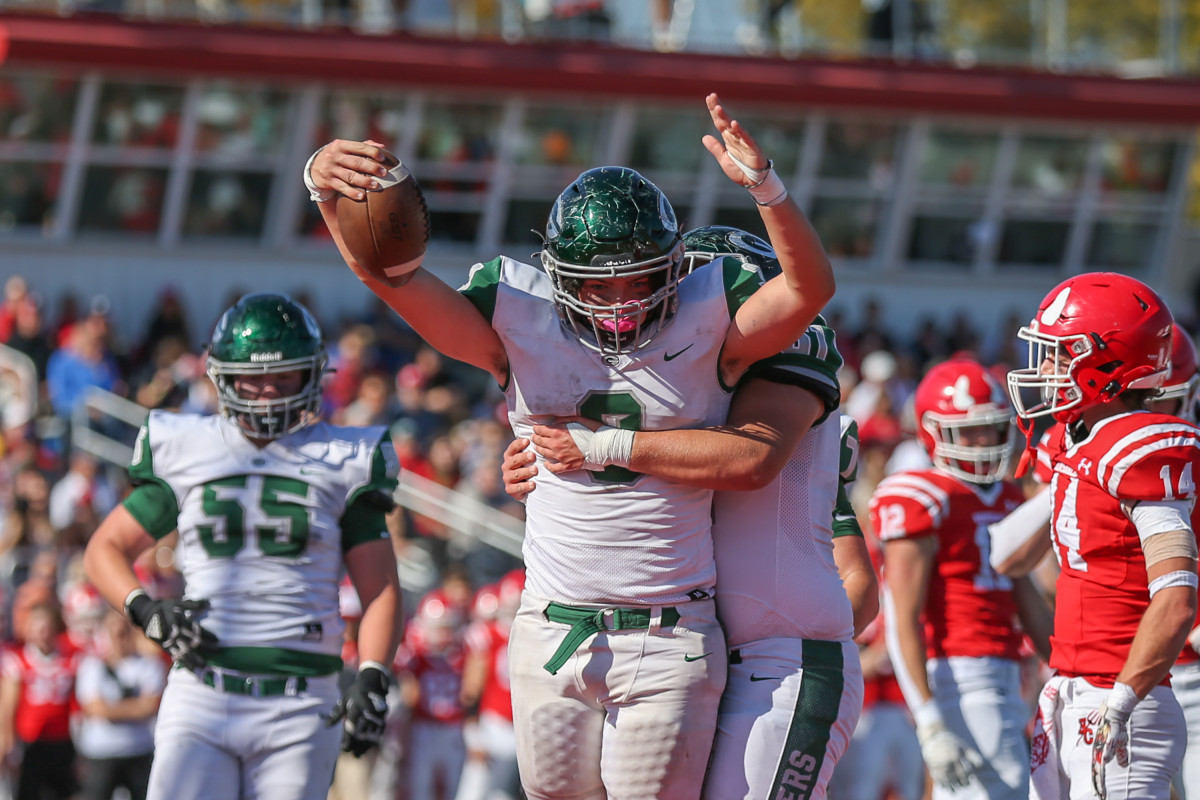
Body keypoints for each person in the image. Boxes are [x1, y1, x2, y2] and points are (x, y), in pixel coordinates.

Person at [307, 93, 834, 799]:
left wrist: (767, 188)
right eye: (597, 281)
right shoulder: (517, 319)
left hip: (668, 628)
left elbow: (809, 287)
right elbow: (387, 273)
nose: (618, 299)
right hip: (549, 624)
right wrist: (324, 186)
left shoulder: (716, 318)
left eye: (637, 277)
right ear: (557, 273)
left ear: (675, 266)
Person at [501, 225, 874, 800]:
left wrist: (810, 636)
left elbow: (750, 459)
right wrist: (538, 460)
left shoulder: (786, 367)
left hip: (778, 660)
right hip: (696, 649)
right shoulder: (683, 401)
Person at [82, 292, 403, 800]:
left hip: (301, 702)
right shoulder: (187, 446)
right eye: (252, 378)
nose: (268, 392)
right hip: (202, 691)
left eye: (284, 376)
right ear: (223, 377)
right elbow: (105, 548)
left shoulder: (346, 457)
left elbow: (380, 586)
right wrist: (145, 609)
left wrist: (373, 674)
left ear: (313, 375)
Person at [1003, 272, 1198, 800]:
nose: (1042, 368)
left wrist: (1123, 699)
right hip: (1072, 687)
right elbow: (1007, 555)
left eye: (1058, 353)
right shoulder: (1084, 439)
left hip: (1119, 696)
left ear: (1106, 362)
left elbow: (1177, 598)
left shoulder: (1141, 443)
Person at [868, 357, 1051, 800]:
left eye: (990, 427)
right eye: (968, 430)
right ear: (934, 433)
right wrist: (928, 718)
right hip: (960, 671)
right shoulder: (924, 495)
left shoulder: (1007, 496)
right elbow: (901, 615)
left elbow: (1025, 593)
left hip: (1008, 669)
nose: (983, 439)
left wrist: (1071, 667)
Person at [74, 610, 167, 800]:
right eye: (114, 633)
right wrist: (135, 707)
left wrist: (113, 709)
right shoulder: (91, 666)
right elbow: (96, 709)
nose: (119, 639)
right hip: (101, 753)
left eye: (124, 632)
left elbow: (150, 707)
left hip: (139, 750)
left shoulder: (150, 665)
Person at [0, 603, 80, 800]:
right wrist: (8, 746)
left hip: (62, 741)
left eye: (46, 628)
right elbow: (8, 707)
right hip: (30, 743)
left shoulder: (71, 658)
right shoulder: (17, 660)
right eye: (37, 628)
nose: (42, 634)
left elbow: (77, 703)